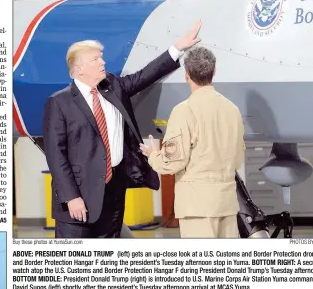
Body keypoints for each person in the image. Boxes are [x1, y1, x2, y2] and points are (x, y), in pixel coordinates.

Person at [42, 20, 203, 238]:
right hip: (79, 198)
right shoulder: (59, 102)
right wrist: (71, 197)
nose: (103, 62)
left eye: (101, 57)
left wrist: (178, 47)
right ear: (78, 68)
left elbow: (145, 75)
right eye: (96, 59)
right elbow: (56, 155)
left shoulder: (113, 86)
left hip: (114, 193)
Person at [140, 47, 245, 238]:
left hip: (197, 207)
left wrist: (153, 156)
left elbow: (173, 162)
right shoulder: (233, 110)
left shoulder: (184, 111)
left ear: (186, 75)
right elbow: (237, 158)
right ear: (214, 72)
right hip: (227, 204)